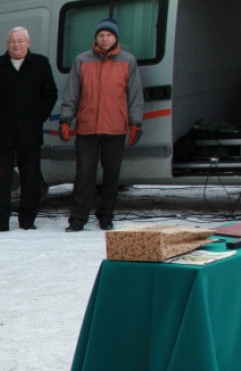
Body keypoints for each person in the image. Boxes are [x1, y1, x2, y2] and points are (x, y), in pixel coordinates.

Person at [60, 18, 144, 232]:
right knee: (83, 175)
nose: (105, 39)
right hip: (87, 127)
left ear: (115, 37)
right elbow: (71, 93)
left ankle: (106, 216)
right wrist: (65, 120)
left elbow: (135, 95)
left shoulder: (128, 61)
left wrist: (136, 123)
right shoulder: (82, 60)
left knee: (111, 175)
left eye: (109, 35)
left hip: (115, 127)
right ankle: (78, 219)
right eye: (101, 35)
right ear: (96, 38)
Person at [0, 26, 57, 232]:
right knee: (1, 178)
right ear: (7, 44)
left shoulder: (40, 64)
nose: (17, 45)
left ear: (28, 43)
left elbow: (50, 93)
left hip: (30, 131)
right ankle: (0, 221)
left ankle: (28, 220)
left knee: (30, 178)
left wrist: (39, 116)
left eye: (21, 41)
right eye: (13, 41)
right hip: (2, 132)